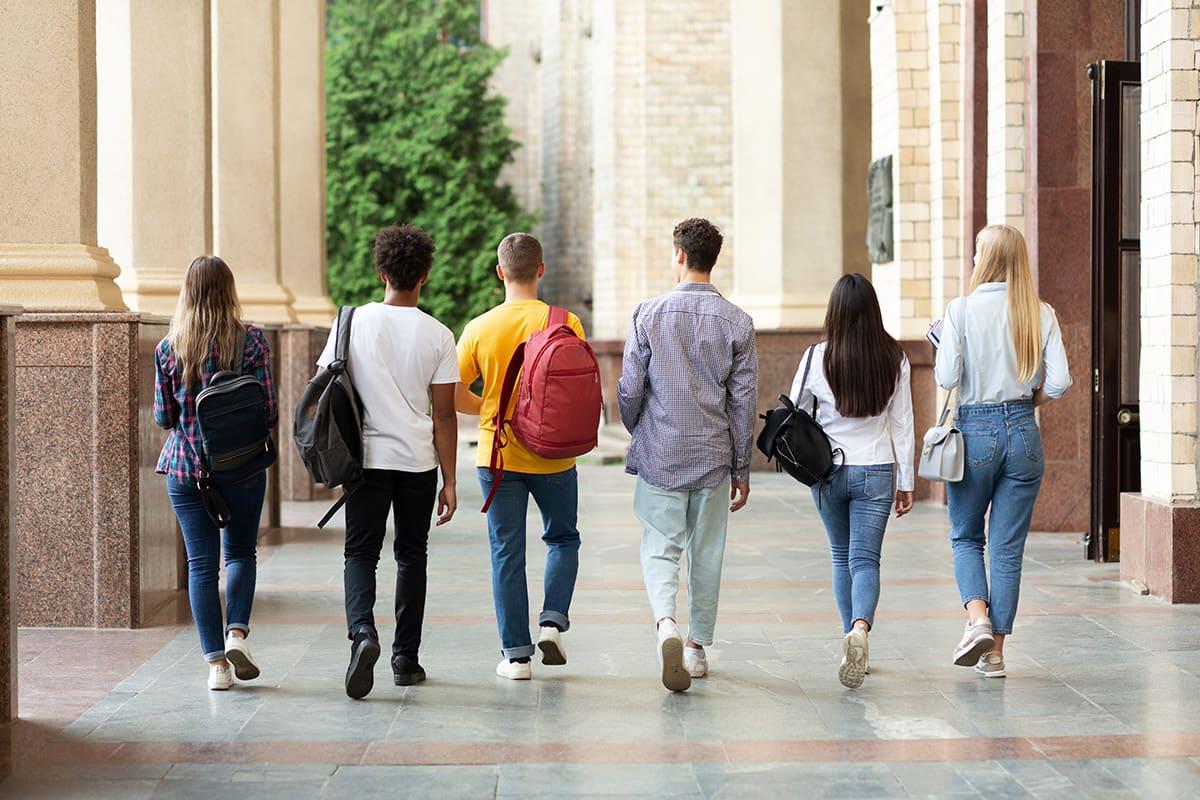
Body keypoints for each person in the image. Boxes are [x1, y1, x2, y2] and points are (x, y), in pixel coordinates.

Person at [318, 225, 460, 700]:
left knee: (360, 553)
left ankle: (362, 634)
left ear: (381, 272)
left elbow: (328, 390)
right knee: (411, 555)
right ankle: (406, 658)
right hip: (418, 462)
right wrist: (451, 480)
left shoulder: (350, 322)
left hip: (364, 461)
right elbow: (443, 413)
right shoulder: (439, 335)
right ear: (425, 275)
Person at [618, 217, 758, 693]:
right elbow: (743, 402)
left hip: (662, 451)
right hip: (714, 454)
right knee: (707, 550)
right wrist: (741, 467)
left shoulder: (647, 314)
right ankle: (696, 648)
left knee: (661, 543)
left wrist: (640, 428)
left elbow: (630, 389)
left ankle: (666, 626)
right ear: (712, 259)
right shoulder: (738, 322)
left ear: (679, 254)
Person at [935, 224, 1072, 678]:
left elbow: (945, 378)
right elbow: (1059, 382)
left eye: (977, 252)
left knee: (966, 535)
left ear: (988, 258)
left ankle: (977, 620)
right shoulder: (1041, 312)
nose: (973, 260)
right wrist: (1027, 402)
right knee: (1007, 549)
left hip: (975, 431)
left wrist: (941, 341)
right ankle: (994, 654)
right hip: (1023, 432)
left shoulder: (960, 311)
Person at [456, 232, 584, 681]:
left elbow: (453, 394)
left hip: (498, 456)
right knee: (563, 539)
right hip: (554, 457)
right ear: (541, 269)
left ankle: (515, 657)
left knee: (507, 552)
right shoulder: (565, 320)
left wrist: (492, 407)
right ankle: (552, 623)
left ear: (500, 272)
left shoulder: (479, 327)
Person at [153, 256, 277, 691]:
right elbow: (269, 411)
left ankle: (216, 668)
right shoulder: (253, 342)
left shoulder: (170, 348)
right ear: (230, 290)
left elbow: (163, 416)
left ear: (187, 291)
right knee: (240, 553)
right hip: (241, 466)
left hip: (186, 469)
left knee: (201, 566)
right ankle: (237, 633)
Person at [790, 274, 914, 689]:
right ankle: (859, 630)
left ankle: (850, 636)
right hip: (876, 469)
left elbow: (797, 414)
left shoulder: (815, 357)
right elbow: (903, 425)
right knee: (866, 560)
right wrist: (907, 480)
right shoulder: (894, 357)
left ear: (834, 311)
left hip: (827, 473)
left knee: (841, 556)